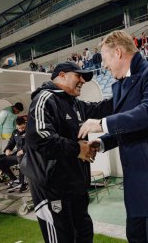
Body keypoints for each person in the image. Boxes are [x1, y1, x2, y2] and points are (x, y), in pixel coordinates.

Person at [78, 30, 148, 243]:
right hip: (138, 187)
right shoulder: (122, 84)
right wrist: (103, 142)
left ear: (118, 53)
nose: (104, 65)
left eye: (105, 59)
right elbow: (130, 125)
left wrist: (102, 124)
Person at [24, 62, 113, 243]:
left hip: (77, 187)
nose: (82, 81)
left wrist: (127, 88)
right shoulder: (44, 98)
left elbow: (102, 108)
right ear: (62, 75)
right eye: (78, 75)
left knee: (84, 235)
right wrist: (77, 149)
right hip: (53, 190)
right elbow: (41, 138)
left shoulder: (75, 104)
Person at [0, 117, 28, 193]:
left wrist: (23, 150)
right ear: (16, 126)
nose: (21, 129)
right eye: (19, 128)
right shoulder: (15, 132)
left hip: (28, 154)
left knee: (21, 158)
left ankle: (22, 183)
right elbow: (11, 143)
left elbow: (33, 143)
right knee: (1, 161)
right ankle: (15, 180)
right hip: (18, 154)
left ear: (25, 124)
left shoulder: (30, 130)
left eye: (23, 127)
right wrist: (7, 149)